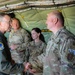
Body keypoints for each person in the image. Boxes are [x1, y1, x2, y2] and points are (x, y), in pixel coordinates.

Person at [43, 10, 75, 75]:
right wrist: (32, 64)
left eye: (47, 20)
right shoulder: (53, 38)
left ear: (55, 20)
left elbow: (68, 69)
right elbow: (47, 55)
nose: (46, 22)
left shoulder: (68, 39)